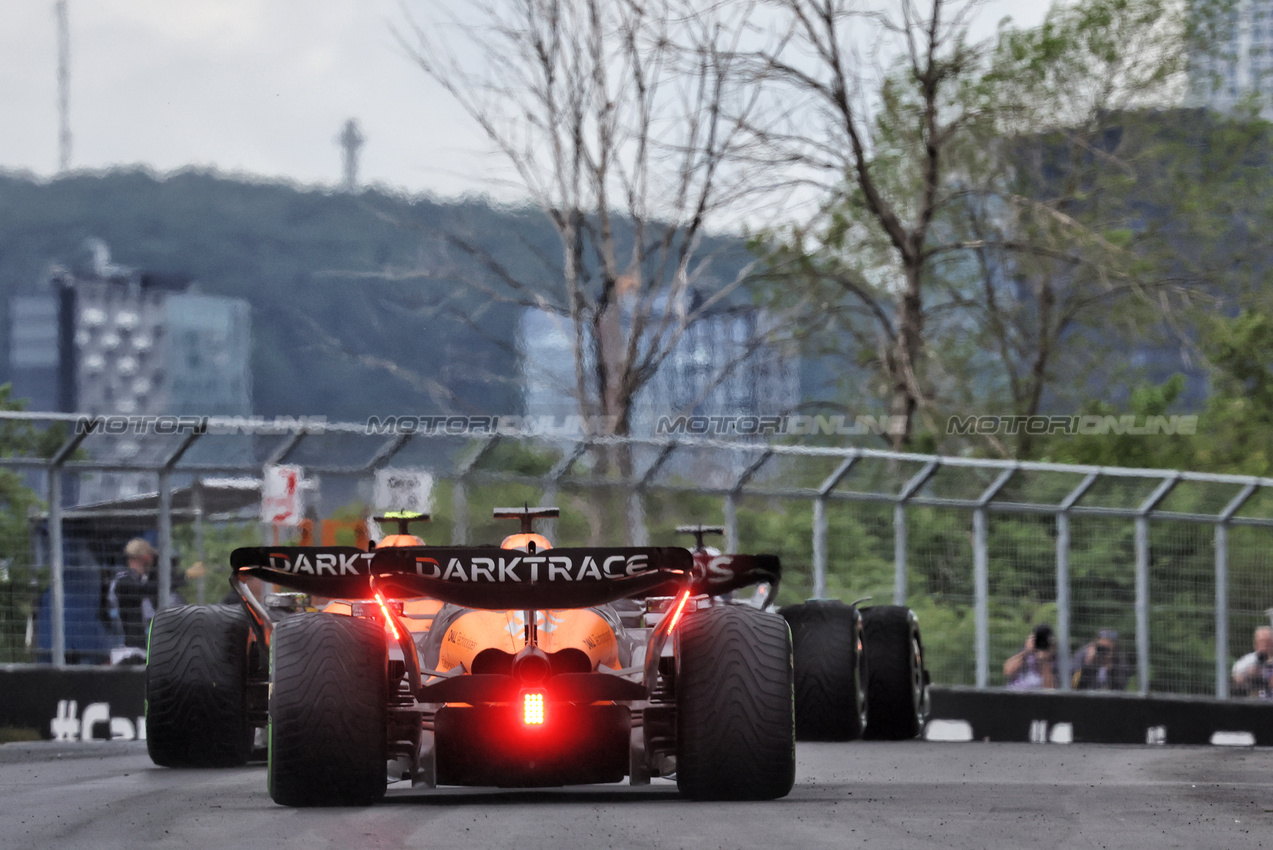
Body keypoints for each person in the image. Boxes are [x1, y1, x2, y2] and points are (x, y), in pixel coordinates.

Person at [107, 538, 159, 650]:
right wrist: (184, 576)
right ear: (144, 558)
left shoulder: (141, 579)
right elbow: (144, 590)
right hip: (126, 647)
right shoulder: (123, 579)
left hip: (142, 644)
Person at [1003, 623, 1057, 689]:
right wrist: (1026, 650)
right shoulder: (1025, 653)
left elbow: (1049, 689)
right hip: (1016, 692)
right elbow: (1007, 671)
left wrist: (1045, 659)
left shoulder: (1054, 658)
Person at [1231, 626, 1273, 698]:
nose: (1265, 645)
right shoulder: (1248, 661)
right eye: (1262, 641)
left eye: (1268, 642)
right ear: (1255, 644)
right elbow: (1236, 679)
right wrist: (1250, 674)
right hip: (1256, 702)